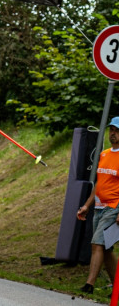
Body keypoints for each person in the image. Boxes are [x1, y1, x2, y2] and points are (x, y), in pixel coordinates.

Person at [77, 117, 119, 294]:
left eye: (117, 131)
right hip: (99, 208)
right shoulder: (104, 154)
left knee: (97, 244)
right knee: (106, 249)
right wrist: (87, 205)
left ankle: (89, 285)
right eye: (111, 130)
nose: (113, 134)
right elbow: (99, 185)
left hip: (114, 207)